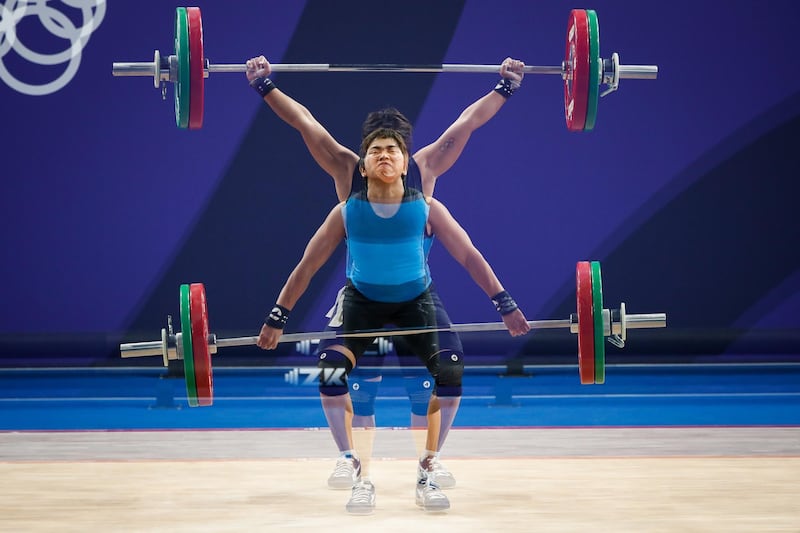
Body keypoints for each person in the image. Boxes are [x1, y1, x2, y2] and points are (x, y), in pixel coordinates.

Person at [244, 54, 525, 494]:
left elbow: (466, 128)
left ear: (406, 157)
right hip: (362, 301)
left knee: (448, 372)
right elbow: (305, 124)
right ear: (363, 161)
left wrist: (505, 86)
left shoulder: (426, 187)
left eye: (392, 150)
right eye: (375, 151)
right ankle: (349, 461)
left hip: (417, 301)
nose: (384, 156)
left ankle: (428, 466)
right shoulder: (346, 190)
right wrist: (264, 84)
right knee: (333, 370)